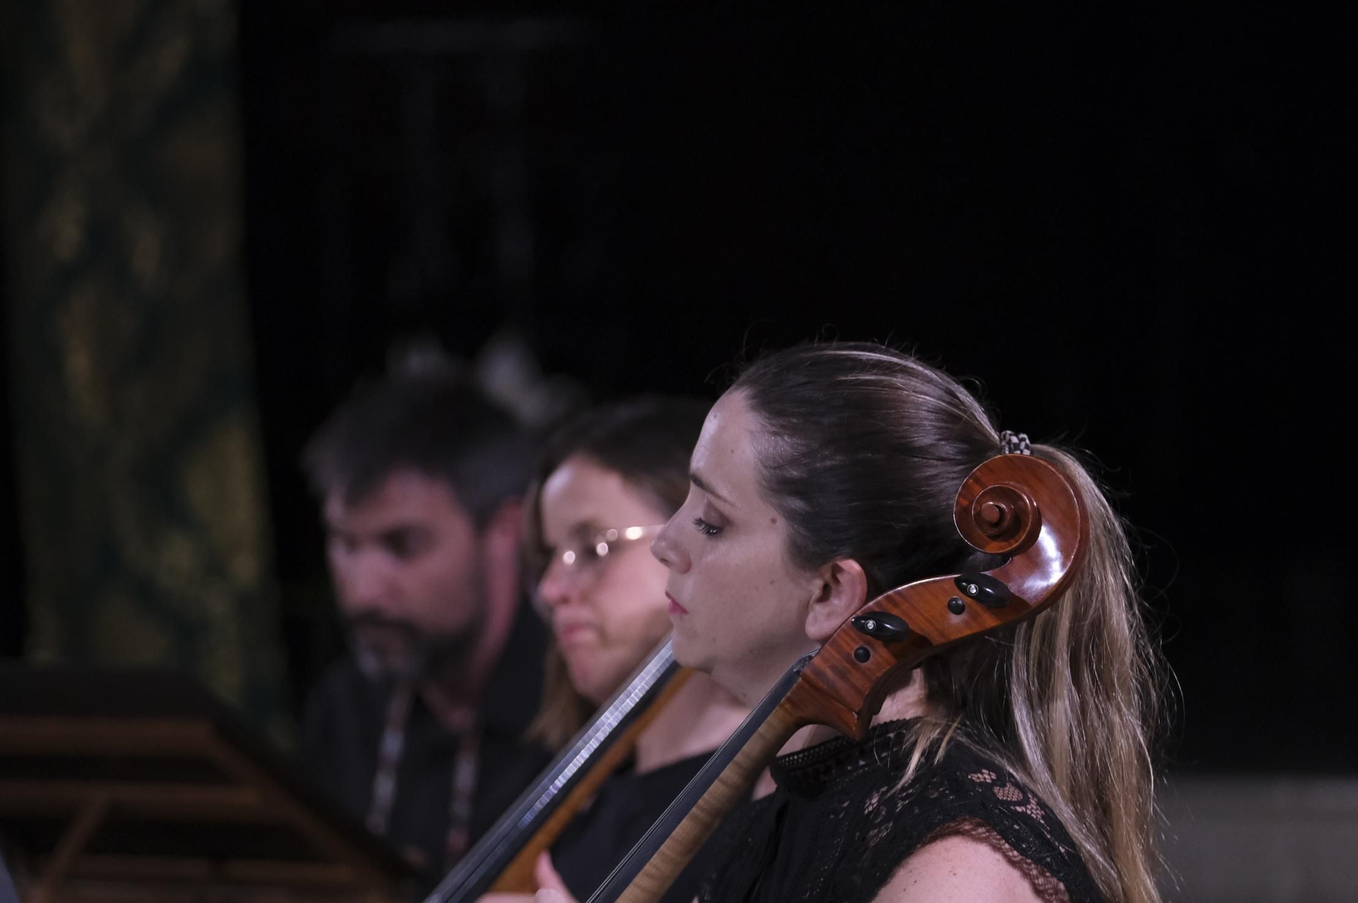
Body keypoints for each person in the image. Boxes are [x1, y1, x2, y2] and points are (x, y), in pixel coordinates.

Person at [527, 342, 1164, 903]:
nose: (667, 542)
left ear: (832, 591)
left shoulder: (956, 867)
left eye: (712, 521)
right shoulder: (783, 800)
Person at [480, 397, 750, 903]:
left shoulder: (769, 800)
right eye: (547, 558)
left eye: (593, 548)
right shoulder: (577, 807)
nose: (550, 591)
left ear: (695, 535)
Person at [299, 364, 551, 880]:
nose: (365, 590)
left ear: (505, 529)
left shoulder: (572, 706)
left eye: (404, 545)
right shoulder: (345, 708)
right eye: (345, 543)